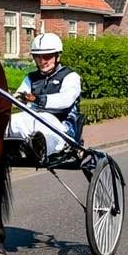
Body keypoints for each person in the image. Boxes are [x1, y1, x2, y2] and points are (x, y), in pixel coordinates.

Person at [11, 32, 82, 160]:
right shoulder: (31, 77)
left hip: (64, 126)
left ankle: (39, 149)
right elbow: (19, 97)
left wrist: (38, 99)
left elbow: (66, 99)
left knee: (44, 120)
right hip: (36, 120)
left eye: (47, 56)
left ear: (57, 56)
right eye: (38, 57)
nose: (42, 61)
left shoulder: (70, 76)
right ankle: (14, 149)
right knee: (12, 120)